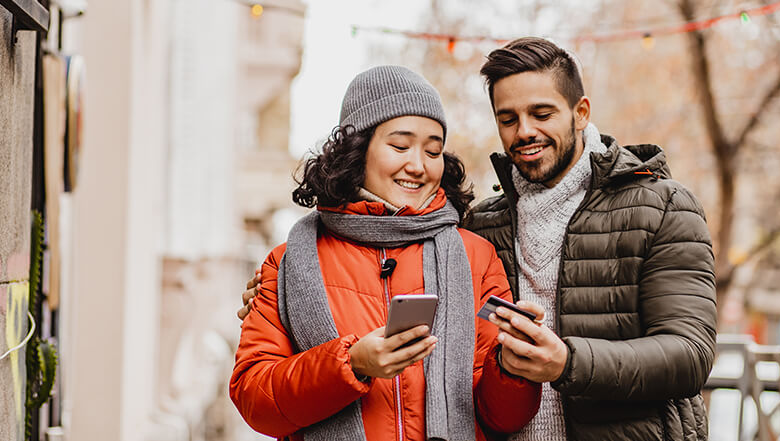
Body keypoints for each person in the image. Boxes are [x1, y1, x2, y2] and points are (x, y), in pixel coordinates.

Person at [240, 38, 717, 440]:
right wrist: (325, 336)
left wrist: (560, 363)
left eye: (542, 112)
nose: (525, 131)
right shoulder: (482, 225)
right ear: (357, 149)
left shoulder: (661, 207)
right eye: (508, 118)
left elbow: (691, 355)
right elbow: (256, 391)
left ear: (581, 112)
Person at [230, 65, 541, 441]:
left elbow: (502, 419)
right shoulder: (288, 262)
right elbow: (255, 400)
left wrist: (511, 367)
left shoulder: (475, 257)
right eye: (400, 145)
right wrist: (350, 364)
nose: (418, 165)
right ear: (357, 150)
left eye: (433, 150)